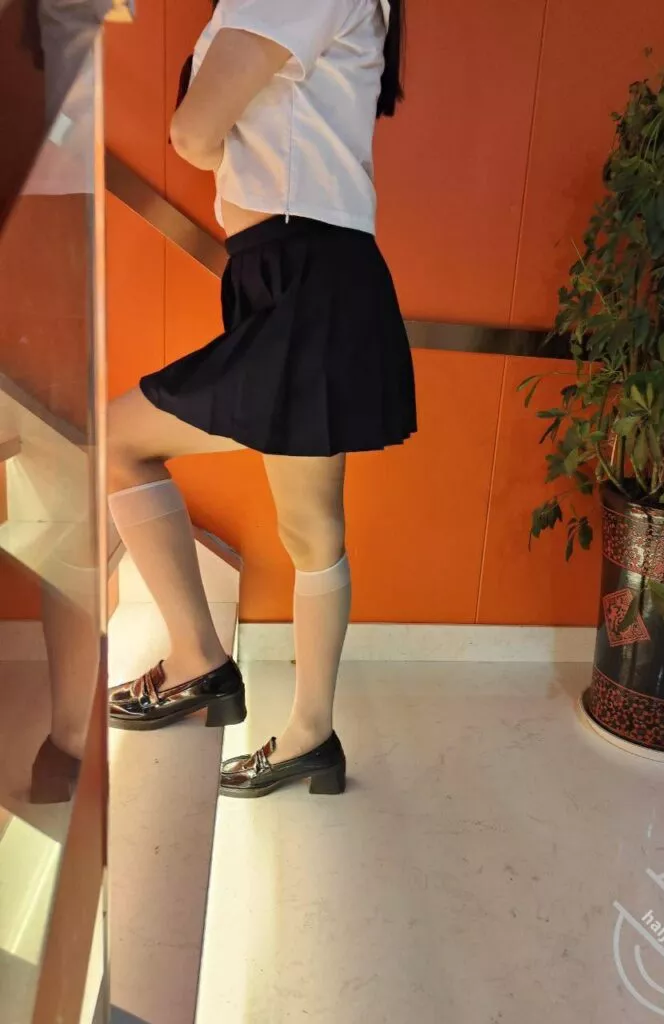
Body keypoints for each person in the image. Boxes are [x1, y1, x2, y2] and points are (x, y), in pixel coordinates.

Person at [106, 0, 415, 799]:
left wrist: (217, 145)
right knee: (311, 529)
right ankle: (311, 735)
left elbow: (193, 133)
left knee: (118, 441)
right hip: (301, 270)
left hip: (303, 270)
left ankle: (199, 661)